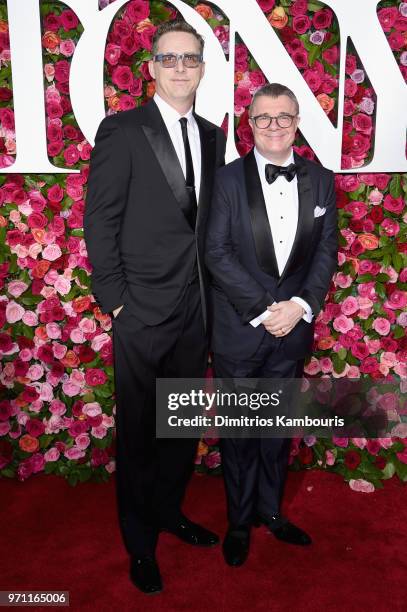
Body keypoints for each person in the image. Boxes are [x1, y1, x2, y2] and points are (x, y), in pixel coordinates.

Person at [84, 20, 226, 594]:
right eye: (169, 59)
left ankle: (169, 511)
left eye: (190, 58)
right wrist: (117, 302)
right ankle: (140, 543)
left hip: (198, 310)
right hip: (141, 309)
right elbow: (100, 219)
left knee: (180, 424)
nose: (181, 68)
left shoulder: (216, 136)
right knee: (140, 431)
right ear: (151, 68)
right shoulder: (122, 130)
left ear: (202, 67)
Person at [205, 83, 337, 567]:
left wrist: (300, 305)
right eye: (264, 117)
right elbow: (216, 252)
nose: (275, 125)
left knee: (277, 427)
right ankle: (239, 522)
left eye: (284, 117)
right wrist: (266, 309)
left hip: (293, 327)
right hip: (243, 326)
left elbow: (326, 252)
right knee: (240, 429)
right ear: (250, 125)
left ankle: (272, 513)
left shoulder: (321, 180)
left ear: (297, 122)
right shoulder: (225, 181)